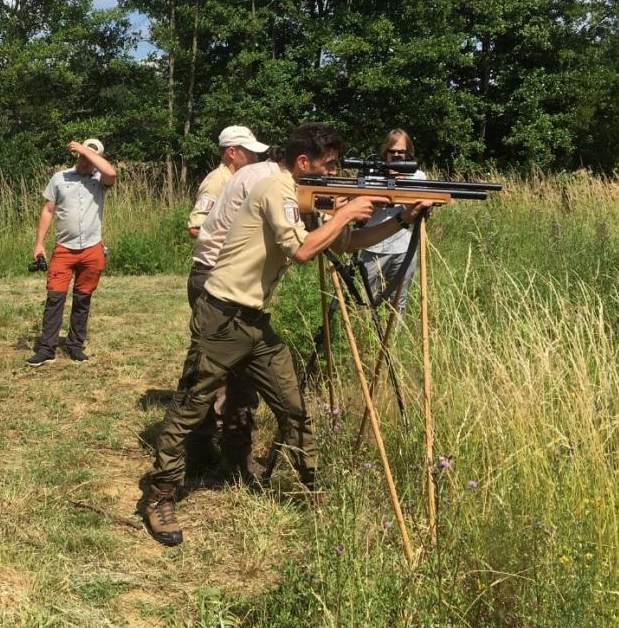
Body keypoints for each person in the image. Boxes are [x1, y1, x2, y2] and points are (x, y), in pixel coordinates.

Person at [138, 123, 433, 546]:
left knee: (293, 406)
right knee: (190, 406)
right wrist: (347, 210)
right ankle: (160, 495)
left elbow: (345, 243)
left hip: (255, 320)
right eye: (328, 166)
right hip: (222, 315)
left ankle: (311, 488)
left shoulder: (296, 190)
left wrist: (401, 218)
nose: (333, 173)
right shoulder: (275, 187)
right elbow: (302, 252)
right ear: (302, 163)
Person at [183, 150, 285, 480]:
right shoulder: (243, 179)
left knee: (234, 376)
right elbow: (196, 225)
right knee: (210, 374)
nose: (255, 154)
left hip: (229, 281)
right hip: (217, 278)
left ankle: (230, 453)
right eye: (250, 150)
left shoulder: (249, 176)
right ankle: (200, 453)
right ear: (233, 151)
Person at [25, 139, 118, 366]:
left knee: (83, 298)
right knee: (55, 297)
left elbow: (111, 173)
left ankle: (75, 345)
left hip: (92, 248)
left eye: (89, 157)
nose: (84, 160)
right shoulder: (60, 178)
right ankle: (47, 348)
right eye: (82, 156)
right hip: (64, 249)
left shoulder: (100, 180)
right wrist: (39, 243)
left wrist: (86, 150)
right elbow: (48, 210)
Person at [356, 128, 426, 312]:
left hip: (404, 248)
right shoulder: (371, 173)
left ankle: (393, 340)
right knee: (365, 302)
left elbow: (420, 211)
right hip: (373, 247)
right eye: (392, 151)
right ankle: (364, 339)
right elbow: (358, 208)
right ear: (385, 151)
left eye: (400, 152)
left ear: (408, 153)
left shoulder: (418, 176)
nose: (395, 156)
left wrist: (402, 183)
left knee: (397, 303)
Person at [187, 125, 269, 238]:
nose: (255, 157)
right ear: (232, 152)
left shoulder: (243, 180)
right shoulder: (216, 182)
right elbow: (196, 229)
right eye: (250, 152)